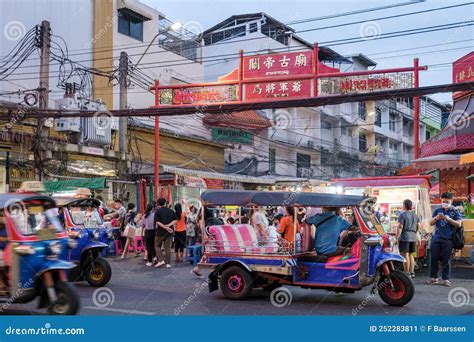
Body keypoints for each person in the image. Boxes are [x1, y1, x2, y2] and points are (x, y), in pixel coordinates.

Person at [427, 192, 462, 287]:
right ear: (441, 200)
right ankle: (434, 278)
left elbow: (459, 224)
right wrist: (436, 218)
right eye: (443, 201)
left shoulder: (455, 211)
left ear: (451, 201)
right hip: (436, 238)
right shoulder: (437, 210)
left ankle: (446, 279)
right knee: (434, 258)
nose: (445, 202)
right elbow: (430, 223)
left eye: (447, 201)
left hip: (448, 239)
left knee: (446, 259)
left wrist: (449, 219)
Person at [397, 199, 420, 278]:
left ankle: (407, 273)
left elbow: (400, 227)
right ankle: (412, 272)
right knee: (411, 255)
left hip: (405, 237)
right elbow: (418, 227)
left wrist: (397, 237)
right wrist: (414, 233)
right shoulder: (415, 215)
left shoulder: (403, 215)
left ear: (404, 205)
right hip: (413, 237)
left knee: (405, 255)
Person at [154, 197, 177, 268]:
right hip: (169, 232)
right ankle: (168, 263)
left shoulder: (157, 211)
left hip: (160, 232)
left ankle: (161, 260)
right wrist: (168, 226)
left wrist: (164, 227)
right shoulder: (171, 211)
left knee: (157, 246)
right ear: (165, 203)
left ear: (158, 204)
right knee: (168, 247)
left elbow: (157, 222)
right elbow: (175, 220)